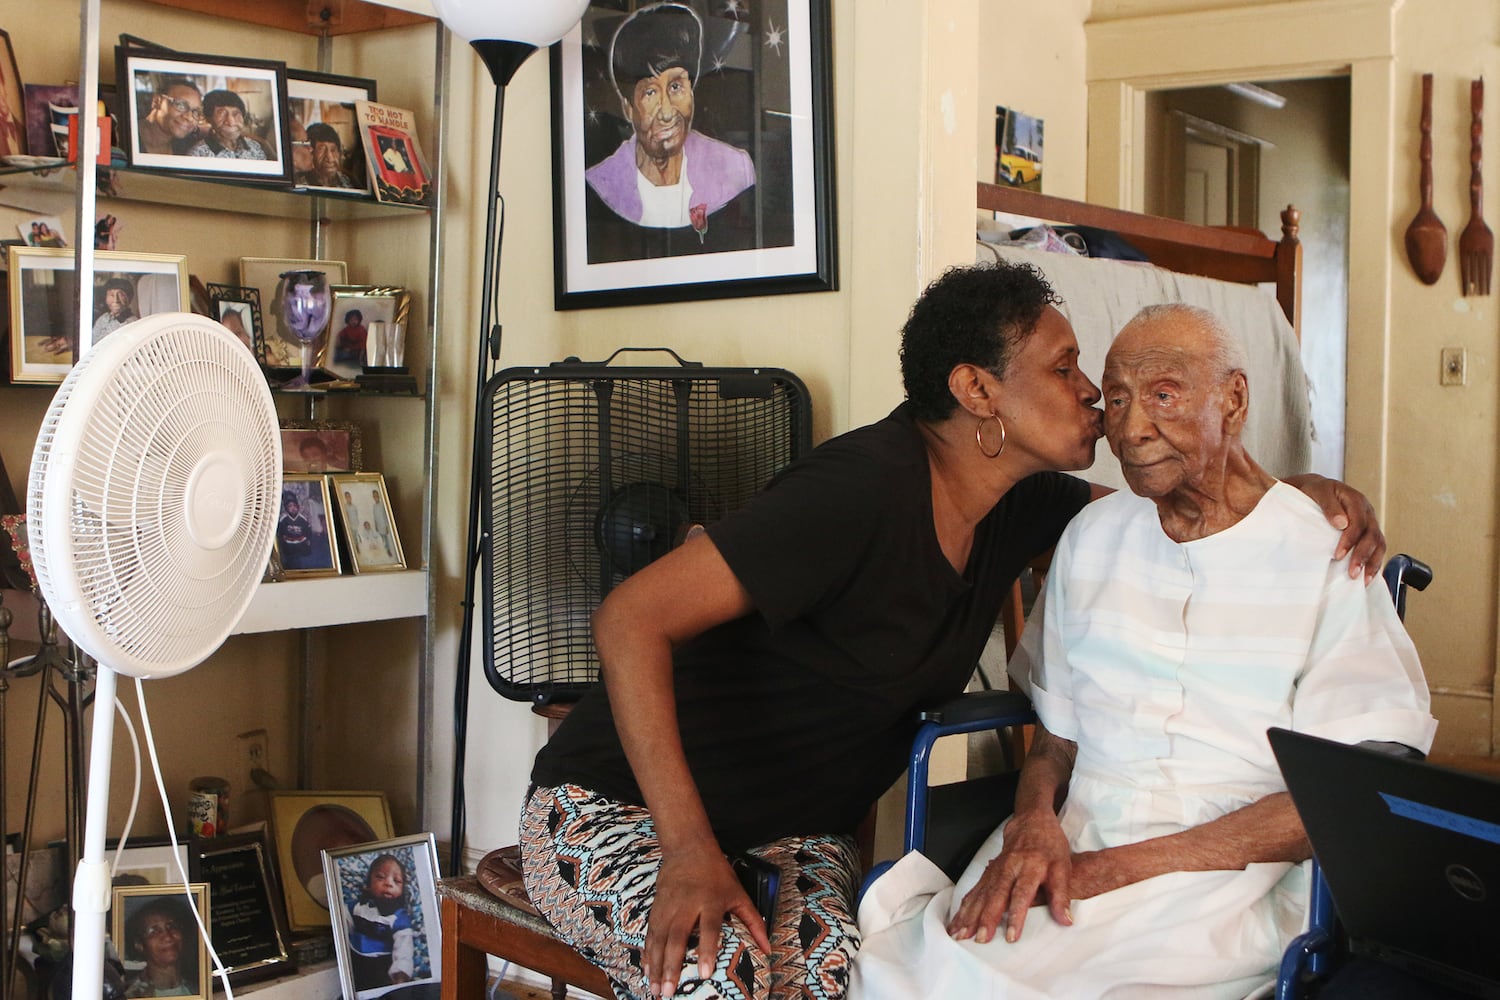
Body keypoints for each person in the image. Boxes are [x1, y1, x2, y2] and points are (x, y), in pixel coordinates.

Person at [520, 263, 1387, 1000]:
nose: (1096, 397)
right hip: (629, 811)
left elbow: (1197, 506)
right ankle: (559, 869)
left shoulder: (1027, 504)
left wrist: (1297, 493)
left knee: (839, 986)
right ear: (977, 391)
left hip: (790, 834)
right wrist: (687, 851)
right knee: (722, 983)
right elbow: (629, 618)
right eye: (1068, 368)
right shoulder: (857, 492)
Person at [853, 303, 1437, 1000]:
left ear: (1235, 398)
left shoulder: (1325, 551)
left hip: (1229, 875)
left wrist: (1117, 869)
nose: (1130, 430)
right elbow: (1057, 742)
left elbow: (1345, 794)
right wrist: (1034, 823)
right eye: (1118, 398)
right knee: (928, 974)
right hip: (1072, 840)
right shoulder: (1091, 535)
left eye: (1163, 396)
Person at [585, 3, 756, 242]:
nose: (666, 112)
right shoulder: (601, 184)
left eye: (676, 87)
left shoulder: (735, 169)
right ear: (627, 108)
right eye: (650, 93)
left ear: (692, 94)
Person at [347, 853, 416, 990]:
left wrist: (400, 975)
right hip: (354, 960)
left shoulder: (398, 919)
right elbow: (342, 926)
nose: (388, 883)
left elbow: (404, 951)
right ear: (368, 885)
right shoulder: (357, 907)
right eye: (380, 877)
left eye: (396, 881)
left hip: (380, 967)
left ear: (403, 891)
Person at [121, 896, 196, 997]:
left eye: (172, 926)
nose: (168, 937)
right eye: (154, 931)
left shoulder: (202, 987)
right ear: (139, 945)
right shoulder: (132, 994)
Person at [187, 89, 268, 160]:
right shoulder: (198, 154)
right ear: (209, 119)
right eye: (222, 114)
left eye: (236, 114)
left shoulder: (254, 146)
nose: (231, 122)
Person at [136, 78, 202, 156]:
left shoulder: (187, 147)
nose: (189, 118)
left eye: (196, 111)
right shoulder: (127, 135)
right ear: (157, 101)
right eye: (181, 105)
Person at [296, 121, 355, 188]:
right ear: (310, 152)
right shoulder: (300, 185)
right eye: (322, 150)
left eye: (333, 150)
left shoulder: (347, 181)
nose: (330, 158)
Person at [277, 493, 315, 569]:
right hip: (288, 546)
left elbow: (308, 532)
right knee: (289, 562)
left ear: (298, 507)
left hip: (301, 545)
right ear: (286, 508)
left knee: (304, 561)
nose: (293, 508)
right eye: (290, 506)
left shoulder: (302, 519)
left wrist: (308, 540)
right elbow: (280, 533)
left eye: (294, 506)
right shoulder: (283, 519)